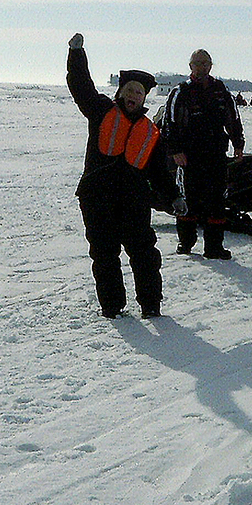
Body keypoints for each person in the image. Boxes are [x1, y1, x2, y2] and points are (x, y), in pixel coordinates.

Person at [66, 33, 185, 318]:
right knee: (104, 255)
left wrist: (174, 197)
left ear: (144, 98)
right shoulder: (101, 111)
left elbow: (158, 171)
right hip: (96, 198)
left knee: (144, 255)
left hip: (133, 201)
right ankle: (112, 307)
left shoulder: (150, 132)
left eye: (139, 93)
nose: (133, 95)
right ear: (120, 92)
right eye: (130, 90)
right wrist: (76, 54)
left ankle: (151, 305)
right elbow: (81, 86)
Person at [161, 49, 245, 260]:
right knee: (190, 200)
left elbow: (232, 117)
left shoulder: (220, 89)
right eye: (198, 63)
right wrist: (175, 151)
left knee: (216, 201)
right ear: (191, 66)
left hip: (216, 153)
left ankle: (214, 247)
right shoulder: (181, 91)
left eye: (206, 63)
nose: (202, 67)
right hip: (189, 155)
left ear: (211, 65)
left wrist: (238, 143)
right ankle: (186, 243)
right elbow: (169, 123)